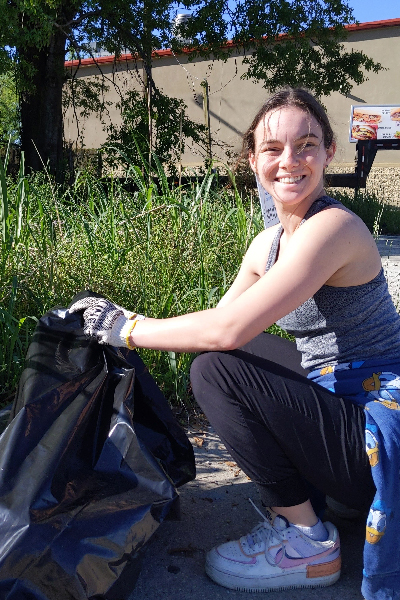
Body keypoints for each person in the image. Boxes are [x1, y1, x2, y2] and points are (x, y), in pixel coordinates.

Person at [69, 87, 400, 600]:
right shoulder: (267, 244)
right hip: (340, 402)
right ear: (252, 159)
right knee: (222, 361)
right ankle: (338, 497)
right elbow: (223, 323)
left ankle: (307, 540)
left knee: (214, 370)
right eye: (272, 149)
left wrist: (123, 327)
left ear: (329, 152)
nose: (289, 161)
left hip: (378, 419)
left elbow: (224, 332)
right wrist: (109, 328)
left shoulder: (334, 226)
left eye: (307, 144)